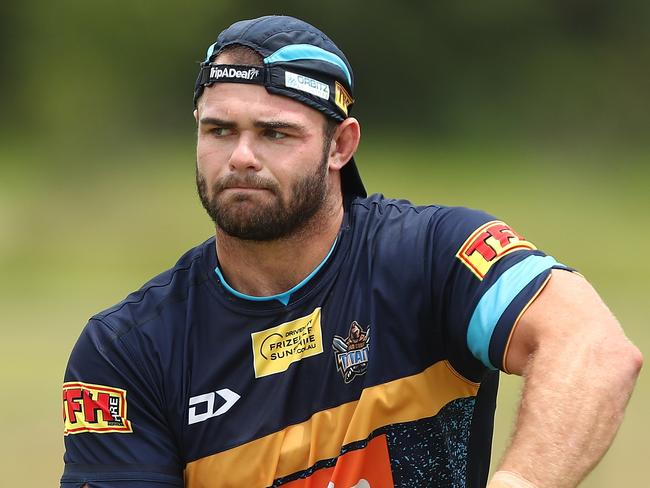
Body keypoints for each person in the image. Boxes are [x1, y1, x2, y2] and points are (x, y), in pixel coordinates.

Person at [60, 15, 642, 488]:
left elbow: (594, 349)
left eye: (275, 133)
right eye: (218, 131)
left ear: (340, 145)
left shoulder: (431, 255)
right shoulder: (125, 348)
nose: (240, 156)